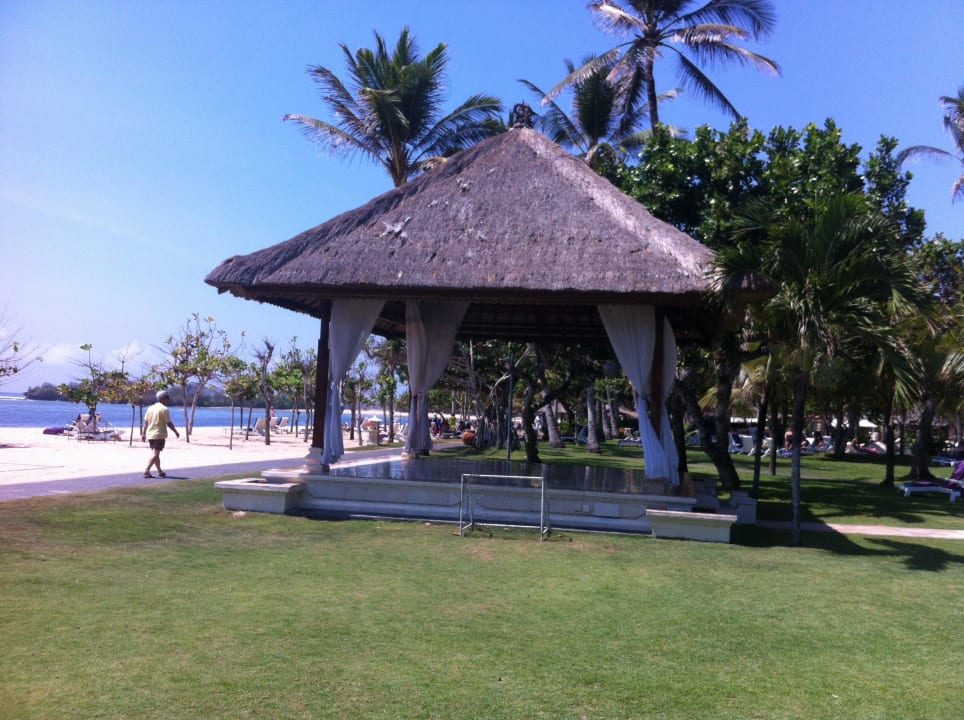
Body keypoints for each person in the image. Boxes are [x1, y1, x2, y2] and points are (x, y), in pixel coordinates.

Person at [142, 390, 179, 478]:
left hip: (150, 434)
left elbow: (146, 423)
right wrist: (176, 432)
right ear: (163, 398)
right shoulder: (164, 409)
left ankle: (159, 471)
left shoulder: (150, 408)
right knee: (155, 453)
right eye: (167, 398)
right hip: (159, 434)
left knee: (156, 453)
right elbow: (169, 423)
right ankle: (147, 470)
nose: (168, 400)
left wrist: (143, 434)